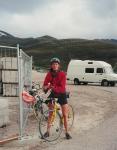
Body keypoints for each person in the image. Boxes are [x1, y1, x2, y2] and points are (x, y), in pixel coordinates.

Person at [43, 57, 72, 140]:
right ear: (51, 66)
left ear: (59, 66)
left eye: (56, 64)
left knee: (65, 115)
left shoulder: (62, 74)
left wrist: (52, 86)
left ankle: (67, 132)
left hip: (62, 94)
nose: (55, 65)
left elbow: (62, 88)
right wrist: (46, 87)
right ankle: (47, 131)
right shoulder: (49, 74)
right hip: (53, 93)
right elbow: (44, 85)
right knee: (50, 113)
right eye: (53, 64)